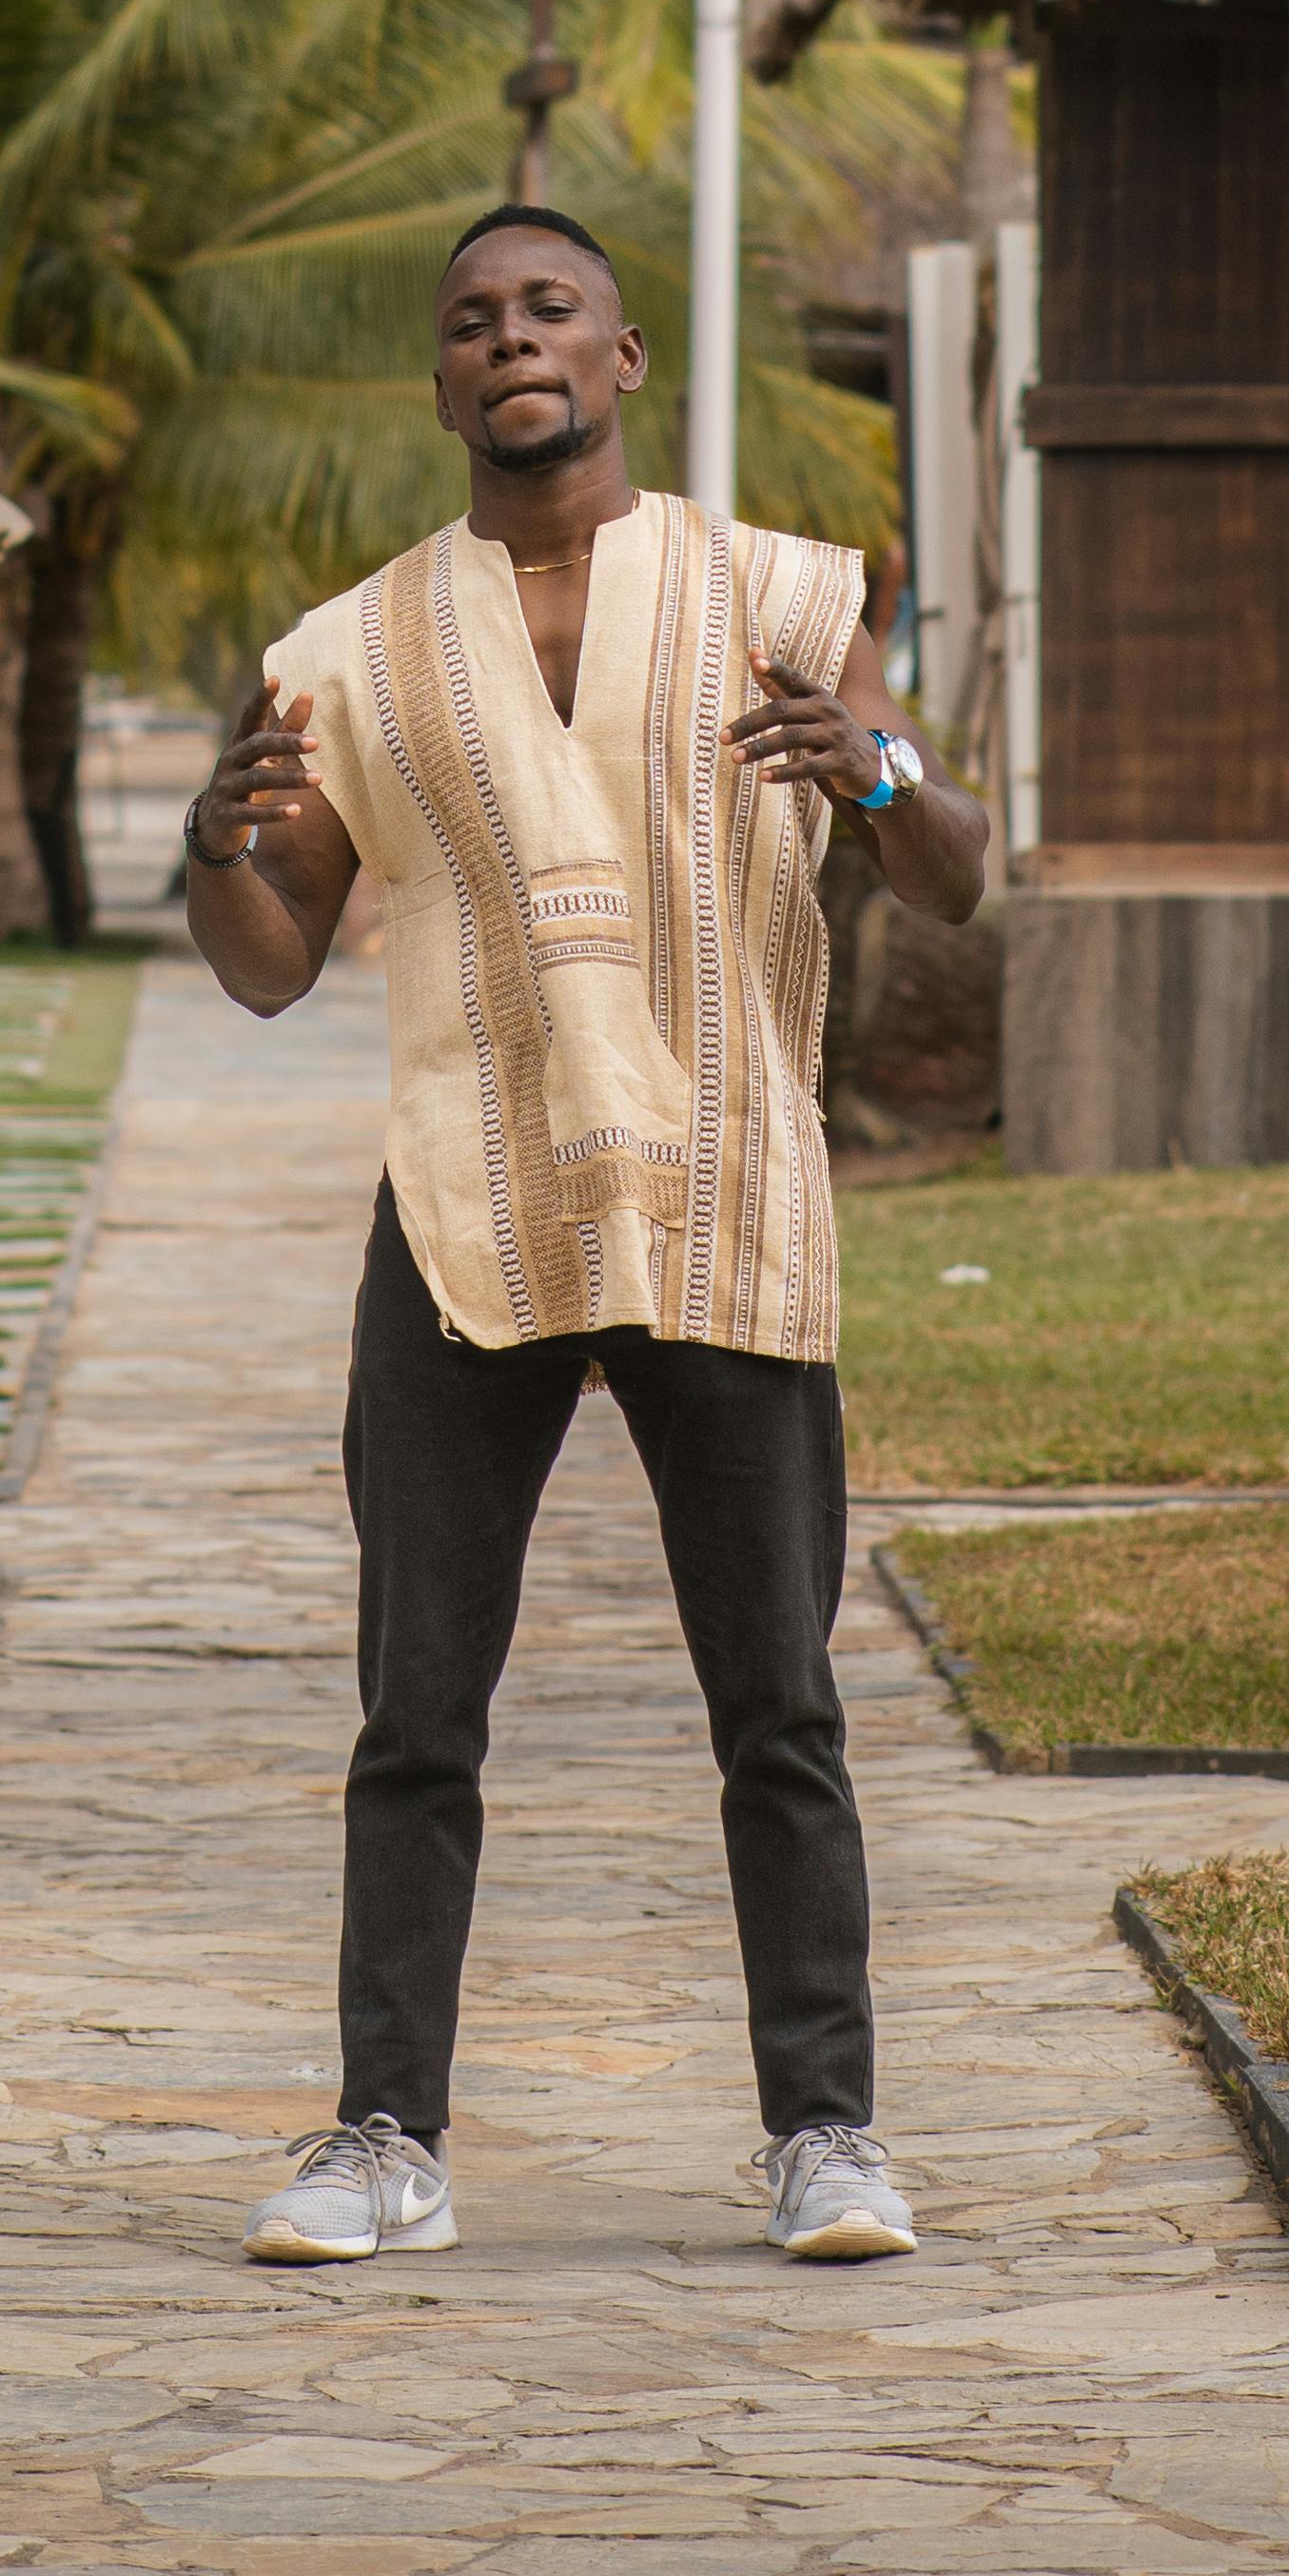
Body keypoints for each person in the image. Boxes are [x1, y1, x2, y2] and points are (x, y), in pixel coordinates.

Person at [185, 202, 990, 2271]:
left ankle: (827, 2135)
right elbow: (267, 966)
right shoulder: (353, 650)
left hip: (721, 1199)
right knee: (414, 1711)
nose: (506, 341)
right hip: (466, 1219)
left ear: (621, 356)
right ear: (437, 382)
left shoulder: (773, 595)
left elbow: (961, 875)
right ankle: (383, 2139)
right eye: (469, 322)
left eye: (546, 309)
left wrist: (877, 768)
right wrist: (216, 856)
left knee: (776, 1709)